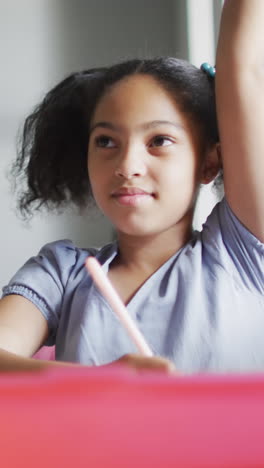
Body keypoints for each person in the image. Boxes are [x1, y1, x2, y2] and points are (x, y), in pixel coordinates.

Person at [0, 0, 263, 374]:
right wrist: (100, 382)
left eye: (159, 141)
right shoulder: (62, 273)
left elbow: (245, 70)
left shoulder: (240, 253)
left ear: (209, 162)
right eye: (106, 141)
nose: (127, 166)